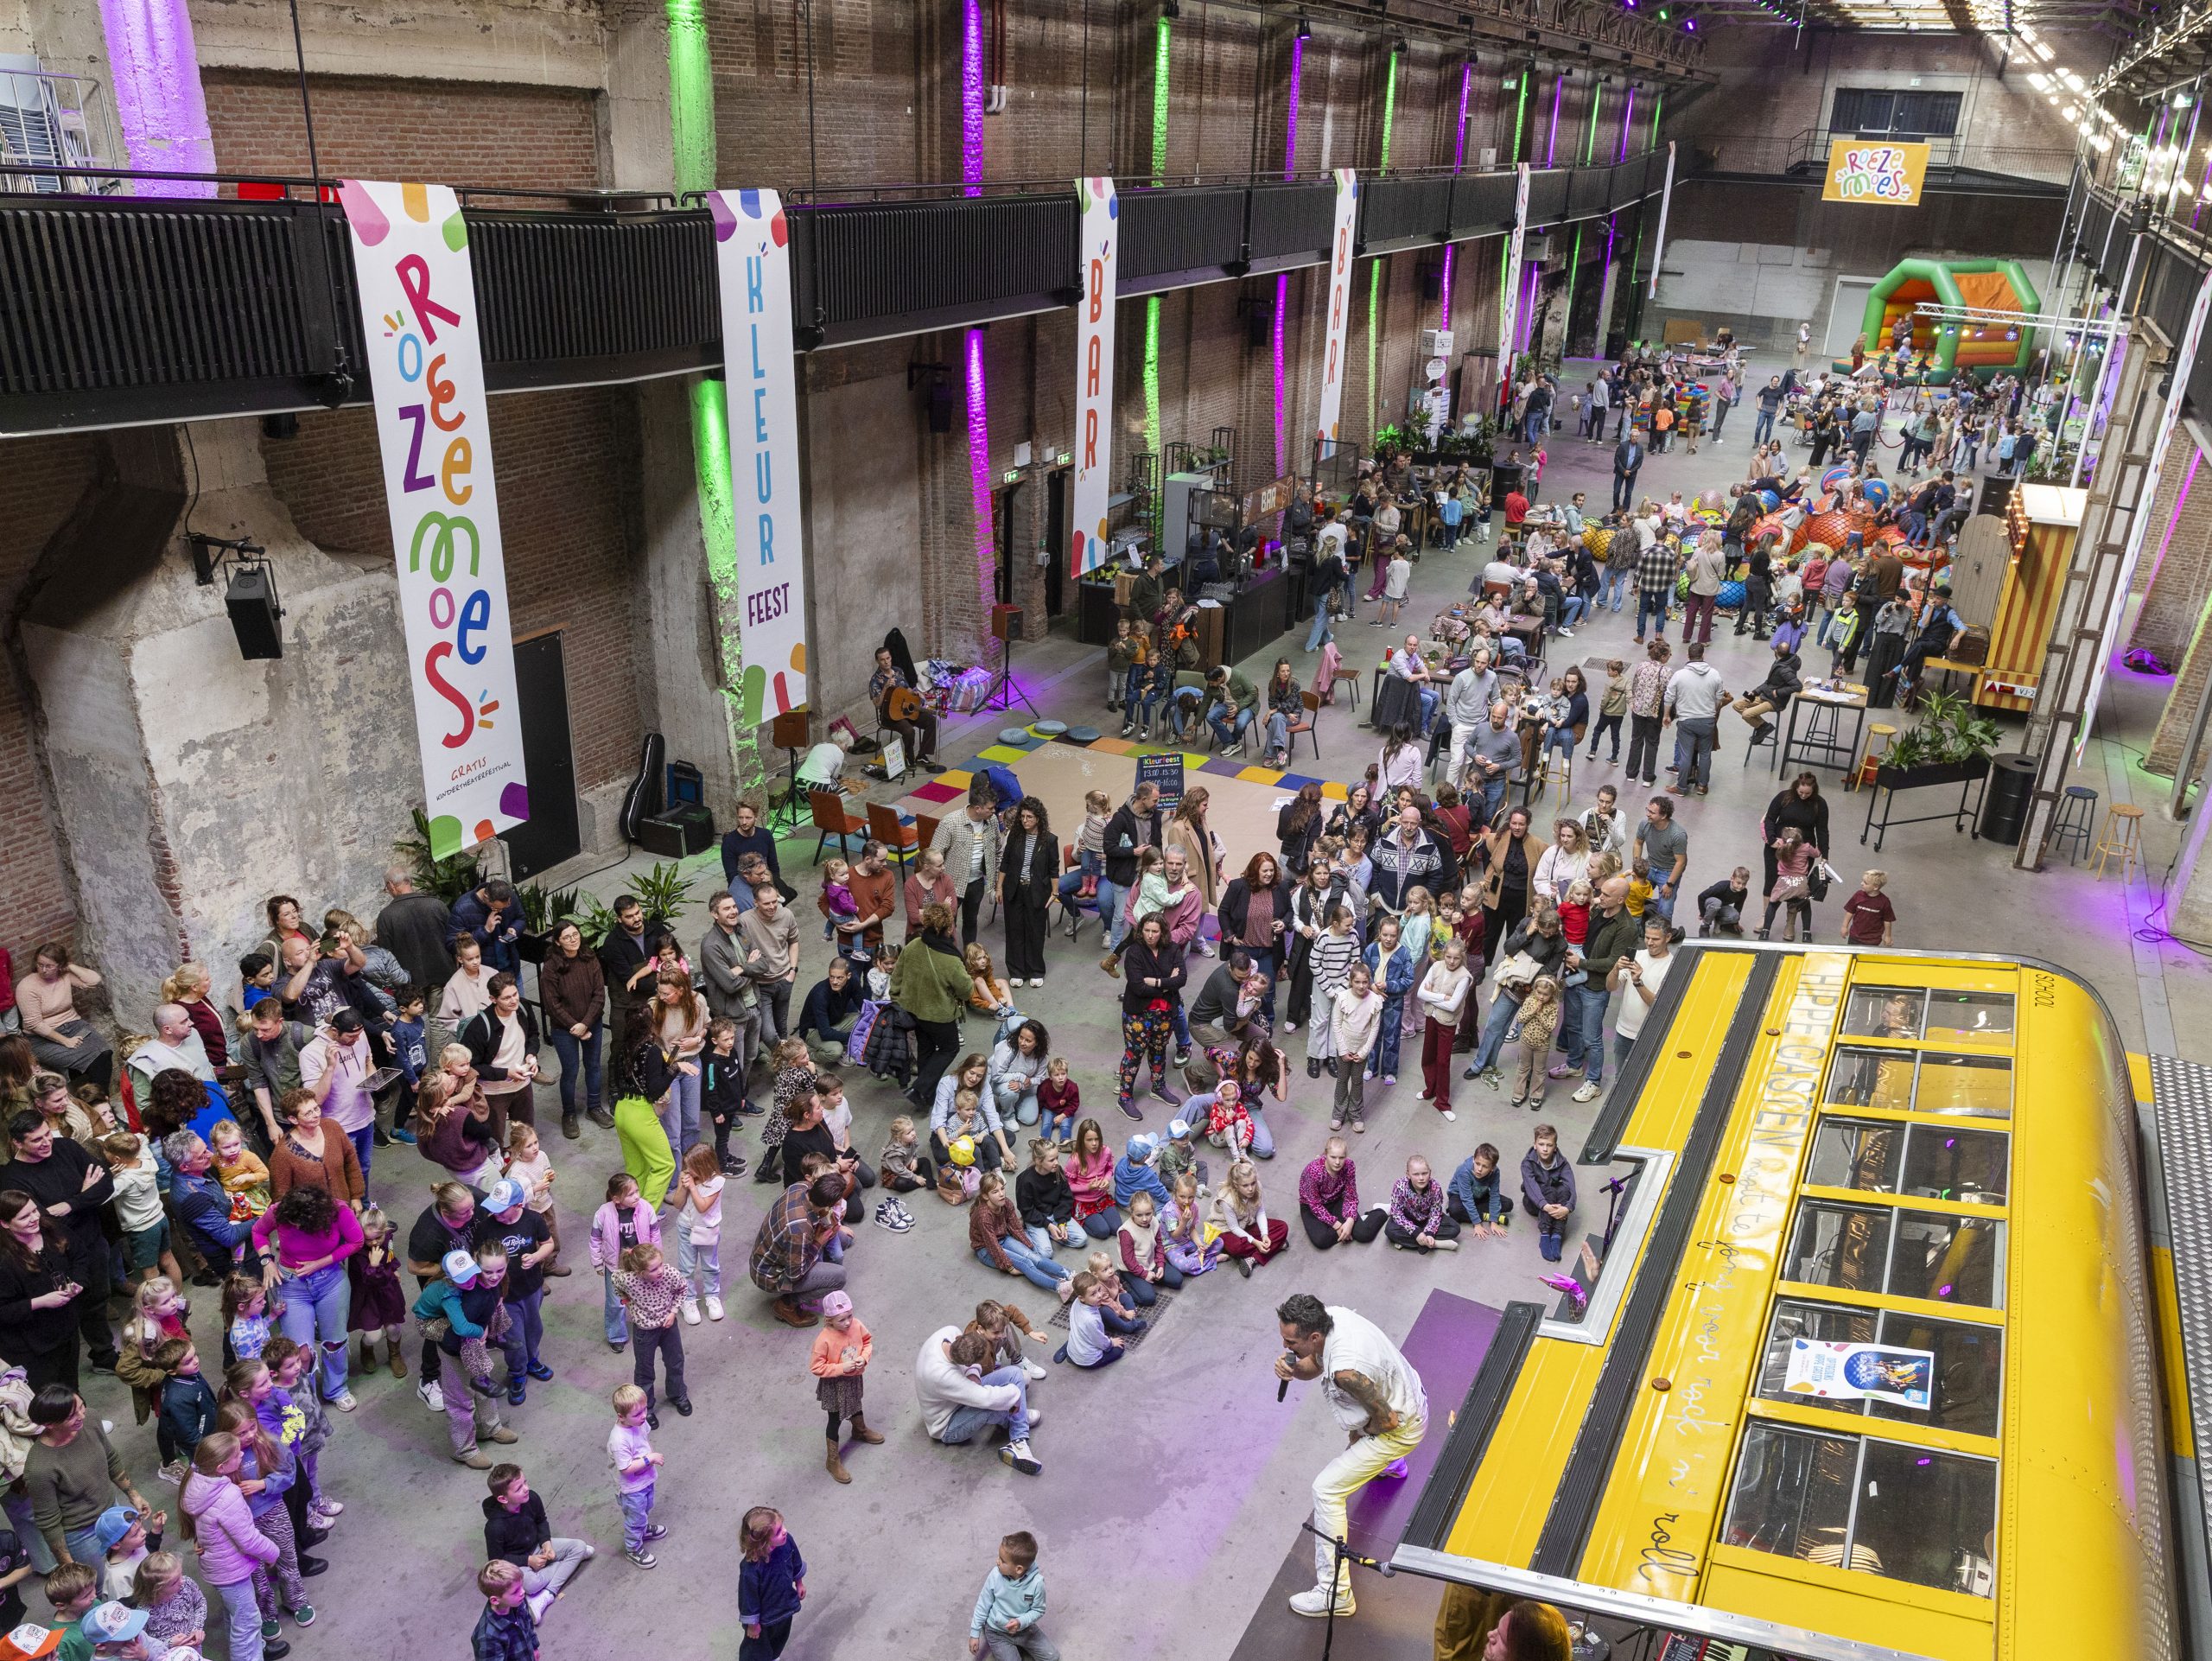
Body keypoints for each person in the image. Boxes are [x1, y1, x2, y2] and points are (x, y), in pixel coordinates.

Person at [1274, 1294, 1428, 1620]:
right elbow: (1314, 1364)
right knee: (1362, 1439)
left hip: (1401, 1426)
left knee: (1326, 1490)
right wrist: (1293, 1368)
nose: (1285, 1346)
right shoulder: (1330, 1317)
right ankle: (1391, 1464)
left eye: (1291, 1342)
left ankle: (1336, 1593)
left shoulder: (1346, 1371)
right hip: (1407, 1393)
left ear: (1314, 1336)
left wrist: (1360, 1435)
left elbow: (1388, 1422)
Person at [180, 1434, 282, 1661]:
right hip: (232, 1570)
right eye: (236, 1455)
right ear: (221, 1467)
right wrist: (272, 1552)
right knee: (247, 1623)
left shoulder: (196, 1482)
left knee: (235, 1617)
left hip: (218, 1568)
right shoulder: (228, 1495)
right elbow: (248, 1539)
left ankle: (255, 1649)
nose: (242, 1454)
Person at [916, 1326, 1040, 1476]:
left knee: (1015, 1374)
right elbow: (987, 1399)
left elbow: (974, 1379)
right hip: (947, 1425)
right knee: (991, 1407)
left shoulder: (950, 1332)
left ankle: (1017, 1420)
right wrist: (1015, 1396)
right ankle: (1019, 1440)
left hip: (959, 1396)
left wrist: (973, 1375)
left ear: (959, 1338)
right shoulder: (941, 1376)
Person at [480, 1464, 592, 1622]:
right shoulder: (494, 1527)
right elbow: (497, 1561)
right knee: (532, 1585)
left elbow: (541, 1520)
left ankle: (547, 1594)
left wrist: (546, 1542)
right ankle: (567, 1564)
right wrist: (527, 1560)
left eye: (525, 1482)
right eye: (519, 1488)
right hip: (518, 1562)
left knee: (579, 1546)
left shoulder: (531, 1498)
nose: (526, 1489)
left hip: (537, 1546)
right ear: (503, 1499)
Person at [748, 1173, 849, 1328]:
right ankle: (787, 1305)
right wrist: (818, 1243)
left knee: (842, 1239)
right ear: (831, 1203)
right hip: (771, 1275)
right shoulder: (800, 1230)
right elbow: (794, 1274)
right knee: (839, 1277)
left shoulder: (801, 1186)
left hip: (769, 1255)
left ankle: (820, 1275)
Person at [13, 947, 110, 1092]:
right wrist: (65, 1041)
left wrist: (69, 966)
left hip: (74, 1025)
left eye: (49, 966)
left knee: (104, 1052)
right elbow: (34, 1024)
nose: (43, 970)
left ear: (59, 965)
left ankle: (99, 1098)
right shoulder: (26, 987)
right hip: (41, 1038)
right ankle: (98, 1099)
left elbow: (94, 980)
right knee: (94, 1059)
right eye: (40, 964)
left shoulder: (64, 976)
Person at [932, 782, 1003, 949]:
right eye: (991, 808)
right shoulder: (950, 822)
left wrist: (996, 882)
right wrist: (936, 884)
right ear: (978, 808)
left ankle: (969, 956)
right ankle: (949, 956)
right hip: (951, 885)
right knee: (947, 924)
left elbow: (997, 851)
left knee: (971, 921)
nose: (994, 811)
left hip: (976, 884)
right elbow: (933, 856)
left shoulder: (992, 821)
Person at [968, 1530, 1056, 1661]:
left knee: (1053, 1657)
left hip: (1024, 1630)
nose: (997, 1562)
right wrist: (975, 1632)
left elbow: (1038, 1610)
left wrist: (1021, 1622)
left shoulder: (1037, 1584)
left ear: (1018, 1569)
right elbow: (983, 1604)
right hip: (997, 1632)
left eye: (1002, 1561)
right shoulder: (995, 1575)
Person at [999, 799, 1059, 988]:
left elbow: (1054, 868)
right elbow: (1005, 862)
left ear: (1038, 818)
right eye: (1023, 816)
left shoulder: (1050, 840)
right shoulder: (1015, 836)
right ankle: (1017, 970)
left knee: (1035, 931)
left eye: (1029, 817)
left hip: (1037, 891)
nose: (1025, 820)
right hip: (1014, 890)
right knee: (1014, 930)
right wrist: (999, 887)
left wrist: (1055, 892)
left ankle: (1036, 970)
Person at [737, 1505, 807, 1660]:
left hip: (785, 1607)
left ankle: (773, 1657)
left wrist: (799, 1583)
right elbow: (748, 1599)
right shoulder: (751, 1569)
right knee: (755, 1651)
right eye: (778, 1531)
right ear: (763, 1543)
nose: (785, 1531)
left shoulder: (787, 1542)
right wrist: (753, 1625)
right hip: (763, 1621)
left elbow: (795, 1561)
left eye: (782, 1526)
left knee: (780, 1639)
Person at [607, 1384, 664, 1569]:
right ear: (621, 1416)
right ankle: (633, 1549)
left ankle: (643, 1529)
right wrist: (650, 1459)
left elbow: (644, 1440)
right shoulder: (619, 1440)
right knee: (635, 1519)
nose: (644, 1416)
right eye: (638, 1414)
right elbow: (626, 1468)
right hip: (631, 1490)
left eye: (644, 1410)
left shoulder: (638, 1423)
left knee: (646, 1508)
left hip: (645, 1481)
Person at [1298, 1137, 1385, 1250]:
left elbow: (1351, 1196)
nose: (1338, 1162)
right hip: (1311, 1206)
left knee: (1364, 1234)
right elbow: (1315, 1205)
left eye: (1342, 1157)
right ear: (1326, 1154)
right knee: (1322, 1241)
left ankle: (1381, 1211)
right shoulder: (1314, 1171)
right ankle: (1353, 1227)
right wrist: (1337, 1225)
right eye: (1333, 1157)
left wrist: (1350, 1220)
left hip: (1336, 1200)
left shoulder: (1349, 1165)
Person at [870, 646, 943, 772]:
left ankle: (922, 756)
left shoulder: (898, 671)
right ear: (877, 661)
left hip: (906, 710)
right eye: (883, 660)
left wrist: (915, 692)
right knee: (909, 731)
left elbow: (907, 689)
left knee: (932, 721)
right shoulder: (875, 680)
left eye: (888, 658)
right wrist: (885, 688)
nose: (886, 662)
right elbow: (877, 704)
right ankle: (910, 758)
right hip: (889, 716)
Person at [1521, 1124, 1578, 1263]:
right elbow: (1531, 1187)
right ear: (1535, 1145)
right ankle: (1545, 1235)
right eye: (1541, 1144)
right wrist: (1545, 1206)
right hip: (1534, 1203)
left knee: (1564, 1190)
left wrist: (1567, 1208)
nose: (1545, 1149)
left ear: (1555, 1147)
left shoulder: (1563, 1163)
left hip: (1555, 1203)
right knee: (1550, 1190)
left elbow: (1572, 1188)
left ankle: (1557, 1235)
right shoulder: (1527, 1163)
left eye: (1549, 1145)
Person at [1633, 797, 1688, 923]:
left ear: (1663, 816)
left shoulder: (1677, 835)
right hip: (1649, 866)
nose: (1647, 814)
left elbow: (1681, 862)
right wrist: (1637, 866)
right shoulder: (1645, 824)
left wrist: (1669, 884)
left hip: (1668, 872)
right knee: (1635, 898)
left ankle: (1663, 932)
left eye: (1652, 812)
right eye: (1647, 810)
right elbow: (1638, 843)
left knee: (1665, 911)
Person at [1446, 1144, 1510, 1236]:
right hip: (1460, 1195)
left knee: (1508, 1204)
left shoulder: (1495, 1172)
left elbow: (1494, 1195)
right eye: (1477, 1164)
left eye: (1485, 1166)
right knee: (1455, 1210)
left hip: (1480, 1194)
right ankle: (1485, 1216)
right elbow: (1467, 1199)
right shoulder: (1464, 1171)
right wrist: (1477, 1224)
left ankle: (1481, 1214)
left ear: (1492, 1168)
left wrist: (1494, 1221)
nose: (1479, 1169)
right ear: (1473, 1160)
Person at [1843, 869, 1897, 945]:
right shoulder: (1858, 895)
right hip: (1855, 935)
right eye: (1862, 881)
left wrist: (1888, 936)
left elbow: (1887, 920)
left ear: (1875, 887)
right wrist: (1844, 926)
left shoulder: (1884, 902)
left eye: (1865, 883)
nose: (1861, 883)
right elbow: (1850, 911)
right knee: (1853, 952)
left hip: (1872, 939)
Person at [1697, 867, 1751, 938]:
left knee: (1736, 916)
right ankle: (1704, 926)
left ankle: (1718, 921)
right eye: (1738, 883)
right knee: (1717, 903)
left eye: (1744, 884)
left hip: (1722, 906)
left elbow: (1739, 906)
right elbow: (1701, 896)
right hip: (1710, 903)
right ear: (1732, 879)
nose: (1741, 886)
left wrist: (1735, 923)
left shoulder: (1744, 892)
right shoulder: (1722, 886)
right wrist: (1702, 914)